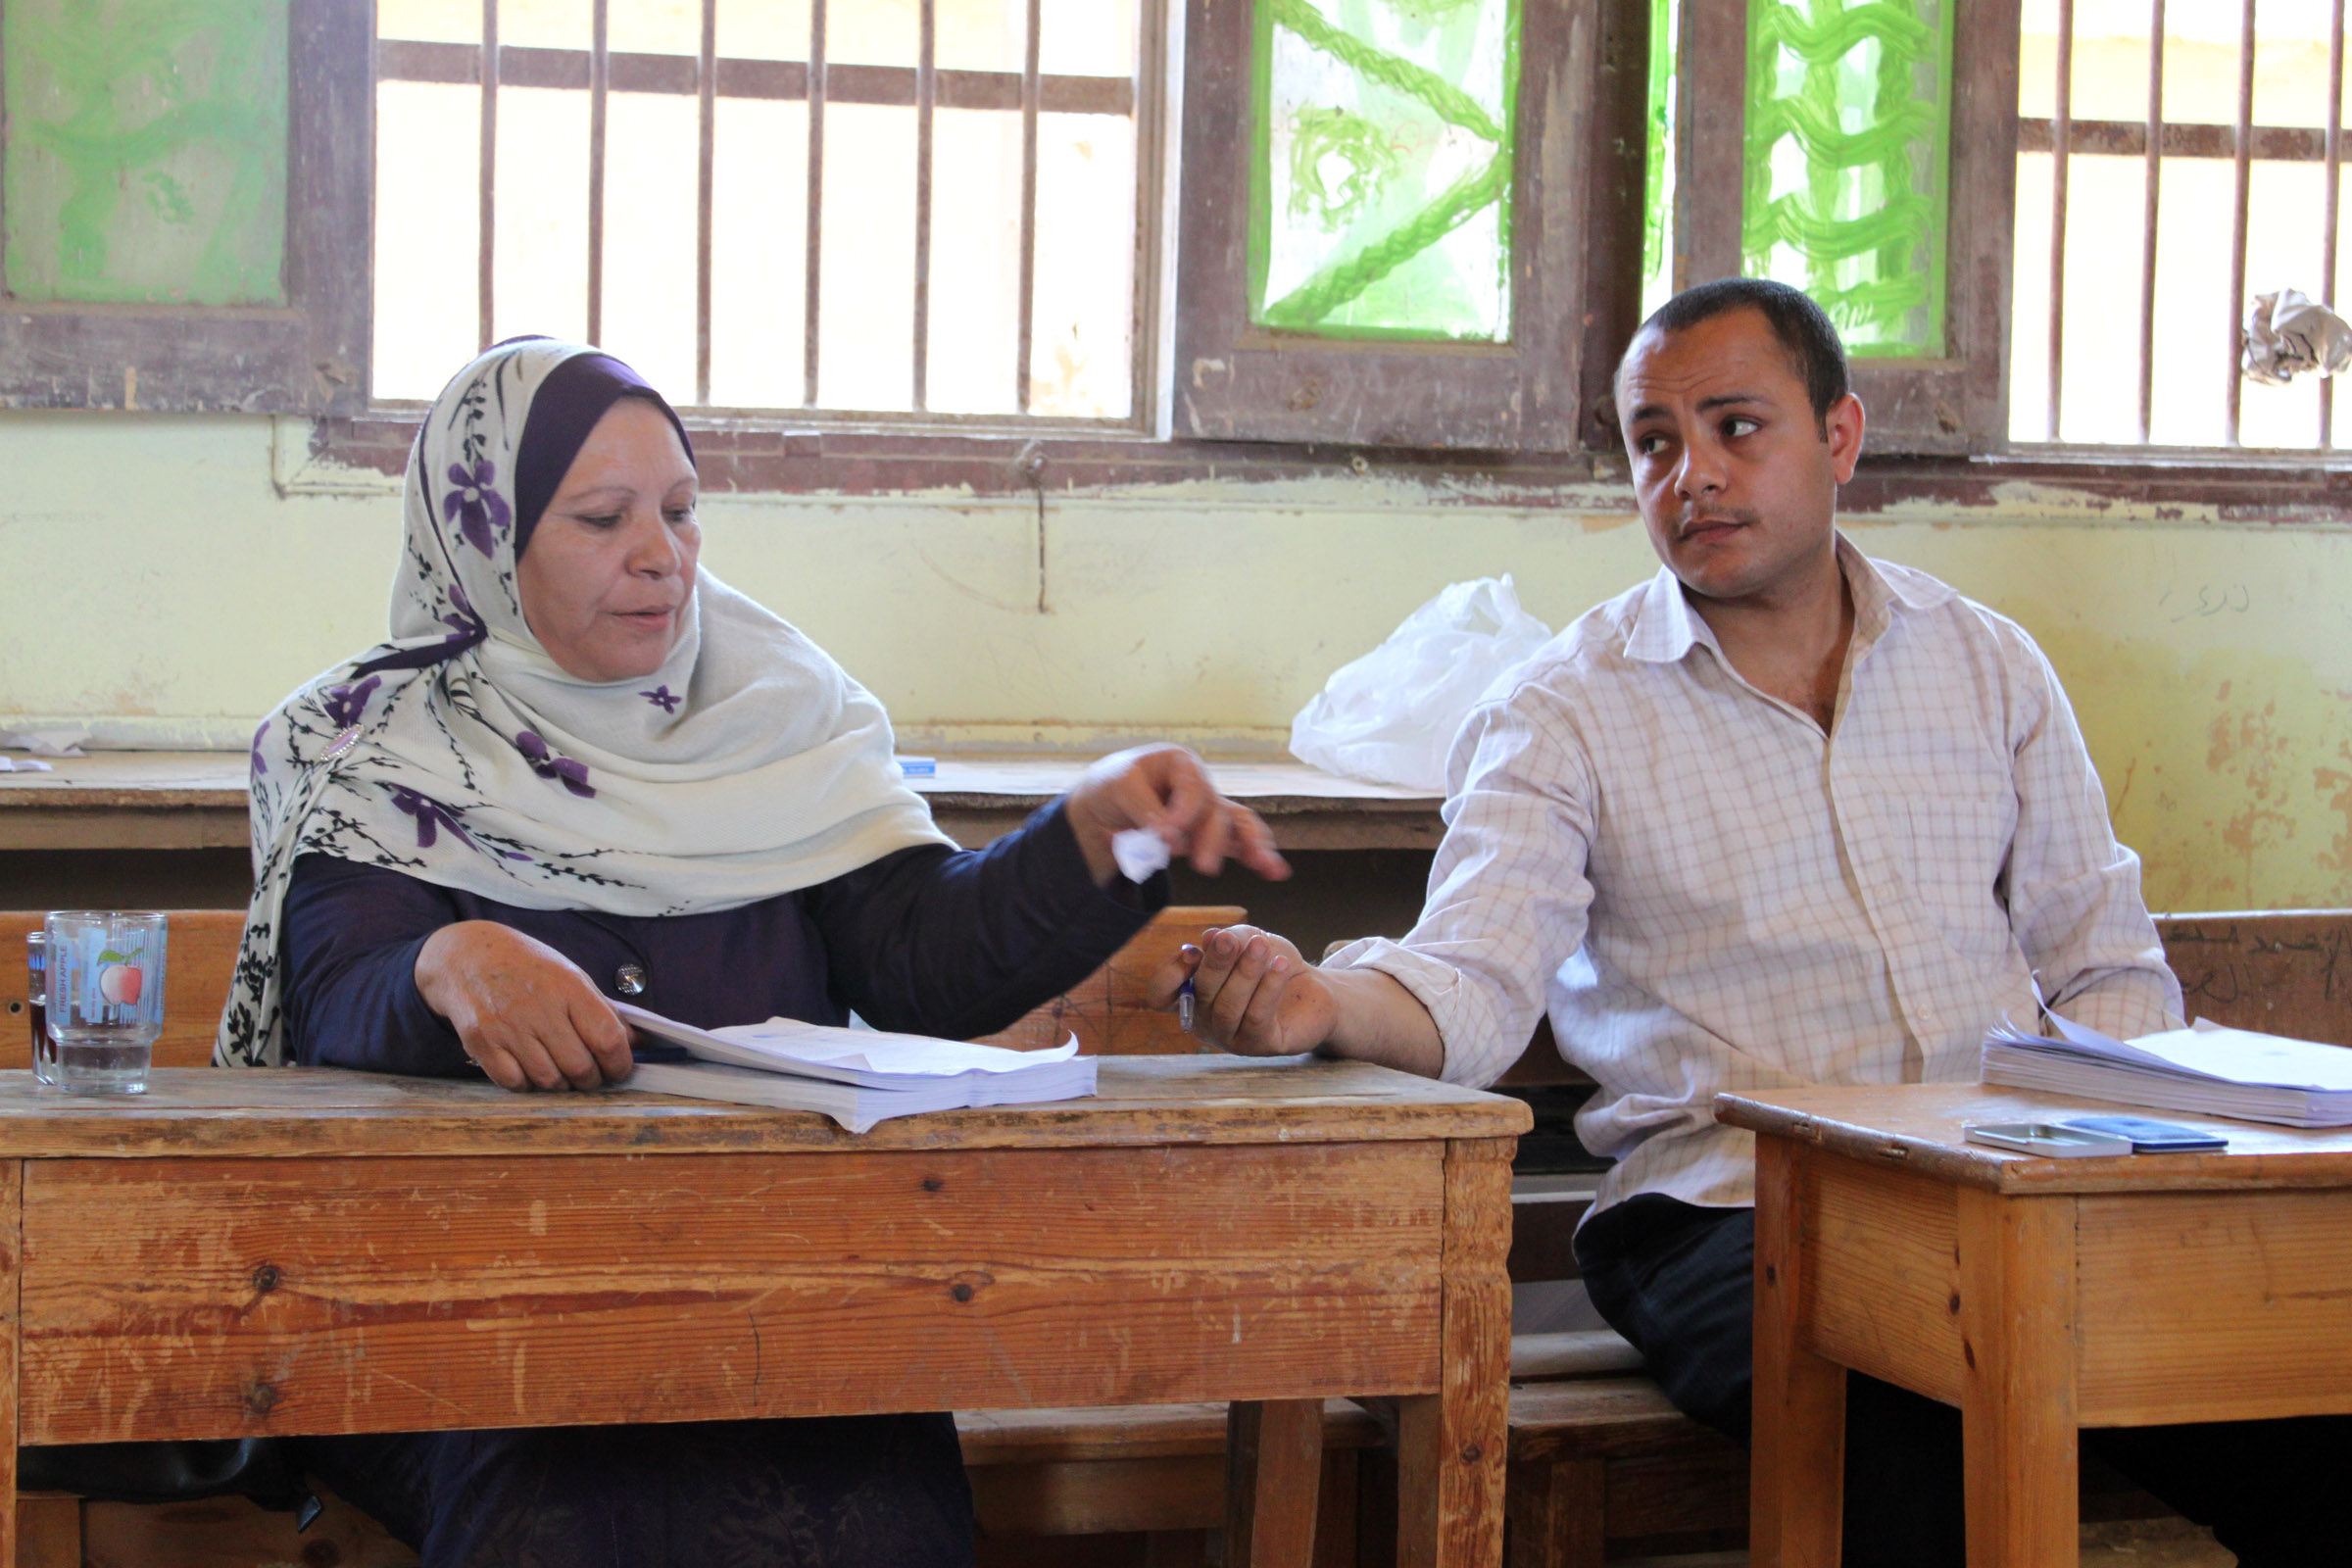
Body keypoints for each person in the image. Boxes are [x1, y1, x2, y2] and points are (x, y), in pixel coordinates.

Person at [1157, 278, 2349, 1566]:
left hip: (2021, 1209)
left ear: (1837, 438)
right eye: (1656, 445)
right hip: (1734, 1218)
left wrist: (2107, 1168)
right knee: (1913, 1453)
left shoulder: (1987, 662)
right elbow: (1473, 977)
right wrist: (1322, 1002)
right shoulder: (1567, 707)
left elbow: (2108, 967)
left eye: (1737, 428)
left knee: (2313, 1413)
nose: (1694, 478)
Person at [206, 336, 1287, 1568]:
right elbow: (336, 994)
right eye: (604, 518)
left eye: (680, 511)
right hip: (474, 1315)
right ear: (488, 541)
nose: (662, 555)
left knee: (885, 1513)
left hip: (780, 1296)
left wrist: (1090, 834)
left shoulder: (773, 714)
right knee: (573, 1526)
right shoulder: (374, 746)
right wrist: (446, 969)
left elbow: (921, 963)